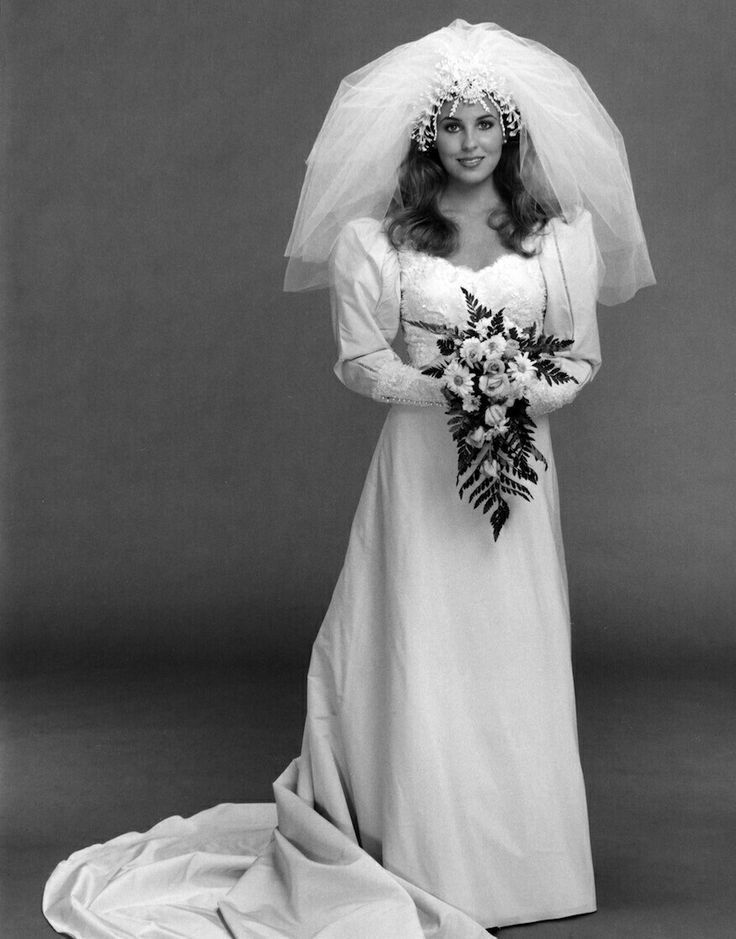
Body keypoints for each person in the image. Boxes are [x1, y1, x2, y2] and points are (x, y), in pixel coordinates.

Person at [43, 20, 654, 939]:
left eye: (487, 123)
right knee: (421, 649)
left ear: (512, 131)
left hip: (516, 479)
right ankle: (423, 850)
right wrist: (448, 382)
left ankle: (527, 864)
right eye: (452, 125)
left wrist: (512, 384)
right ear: (426, 137)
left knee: (510, 648)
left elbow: (579, 363)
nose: (471, 141)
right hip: (417, 472)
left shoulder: (563, 239)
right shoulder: (380, 239)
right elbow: (361, 361)